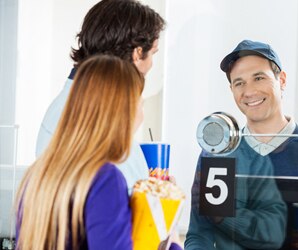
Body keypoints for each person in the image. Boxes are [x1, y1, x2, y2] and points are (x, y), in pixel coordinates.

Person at [186, 40, 298, 249]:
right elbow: (199, 235)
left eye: (259, 78)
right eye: (239, 82)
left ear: (282, 80)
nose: (249, 91)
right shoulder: (215, 155)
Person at [16, 55, 182, 250]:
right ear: (123, 110)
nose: (141, 114)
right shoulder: (105, 179)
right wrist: (171, 236)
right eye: (140, 103)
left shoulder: (37, 175)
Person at [35, 0, 165, 195]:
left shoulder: (70, 106)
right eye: (153, 53)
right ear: (138, 52)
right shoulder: (87, 116)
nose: (152, 65)